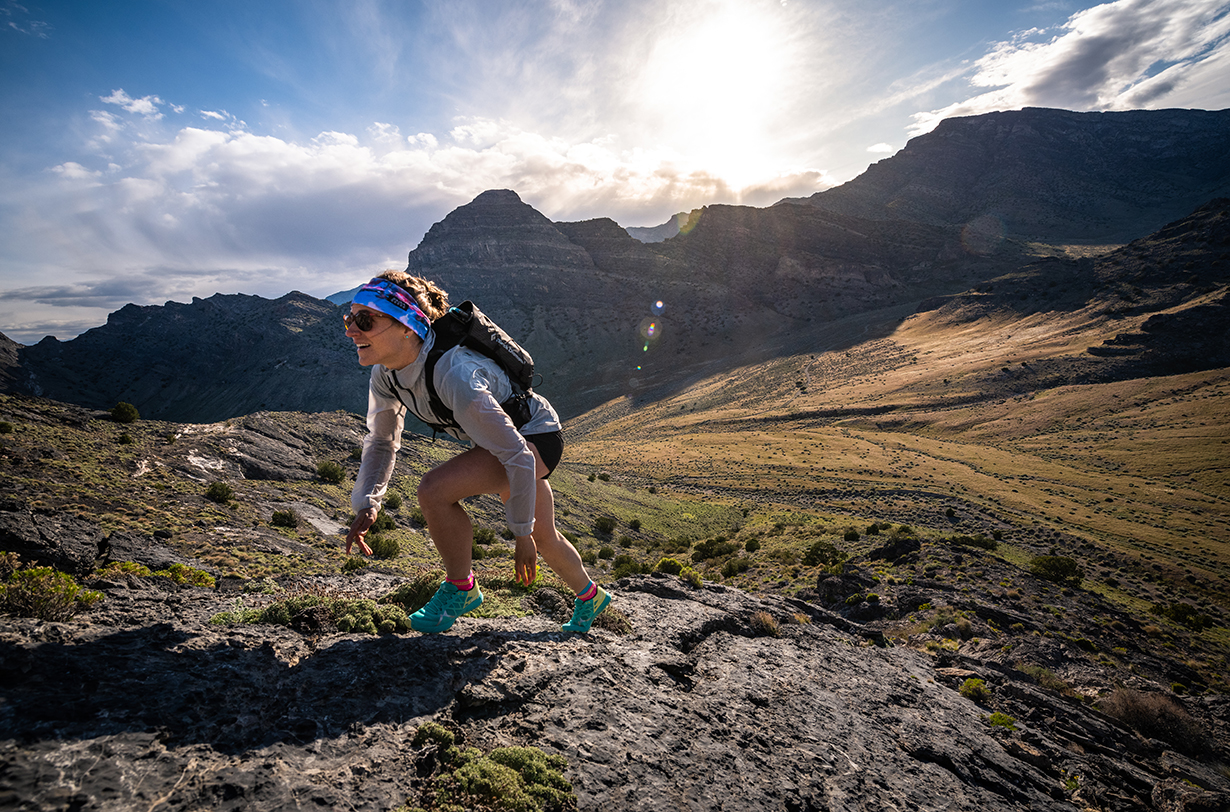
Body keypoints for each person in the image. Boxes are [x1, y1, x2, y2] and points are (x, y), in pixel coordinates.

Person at [343, 271, 611, 634]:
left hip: (533, 438)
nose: (351, 330)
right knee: (546, 536)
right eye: (349, 317)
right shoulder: (386, 375)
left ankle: (461, 588)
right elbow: (381, 441)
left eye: (365, 320)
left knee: (434, 491)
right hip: (502, 442)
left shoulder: (455, 375)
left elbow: (518, 456)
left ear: (408, 325)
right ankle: (591, 596)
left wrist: (520, 535)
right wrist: (367, 502)